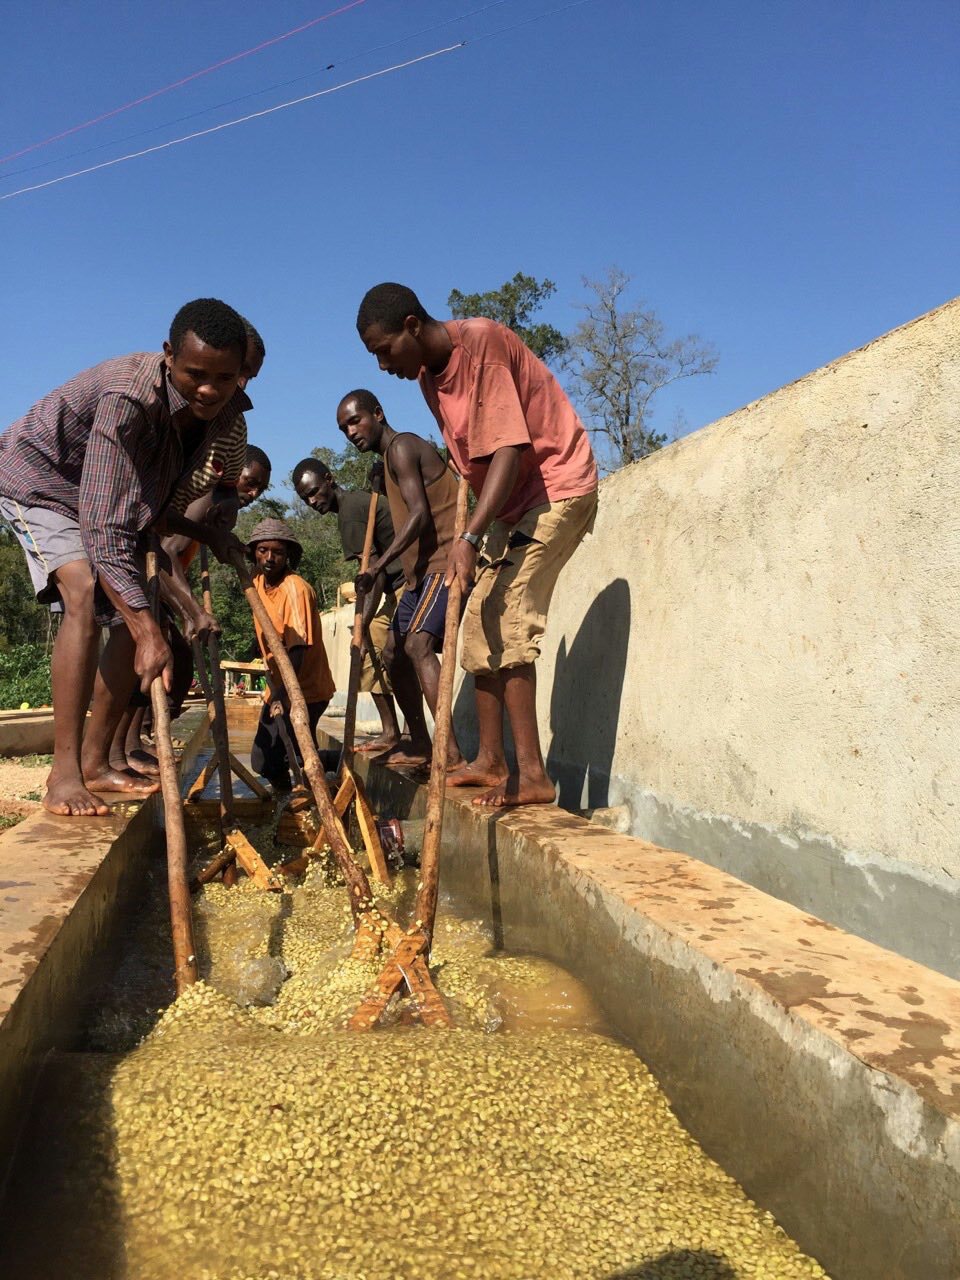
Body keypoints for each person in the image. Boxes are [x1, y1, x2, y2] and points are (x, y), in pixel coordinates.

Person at [0, 298, 251, 816]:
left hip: (104, 501)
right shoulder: (128, 398)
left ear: (240, 373)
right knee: (84, 590)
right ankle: (64, 775)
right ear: (168, 356)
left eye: (224, 378)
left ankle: (95, 764)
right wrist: (146, 629)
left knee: (132, 614)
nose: (209, 389)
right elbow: (101, 526)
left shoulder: (221, 416)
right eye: (195, 374)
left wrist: (208, 535)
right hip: (41, 481)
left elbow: (149, 515)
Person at [357, 282, 599, 807]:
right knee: (473, 628)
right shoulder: (428, 377)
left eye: (385, 350)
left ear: (412, 326)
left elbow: (508, 450)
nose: (383, 366)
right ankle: (490, 761)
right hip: (509, 506)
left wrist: (468, 537)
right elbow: (472, 458)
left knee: (508, 617)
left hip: (556, 488)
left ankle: (532, 775)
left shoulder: (482, 343)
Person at [336, 389, 463, 770]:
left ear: (378, 413)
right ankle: (420, 742)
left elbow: (420, 514)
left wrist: (378, 565)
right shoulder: (387, 462)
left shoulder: (402, 448)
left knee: (418, 645)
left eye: (355, 421)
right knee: (392, 653)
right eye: (344, 429)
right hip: (417, 579)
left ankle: (450, 753)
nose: (351, 432)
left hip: (443, 564)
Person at [292, 452, 406, 755]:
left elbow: (373, 575)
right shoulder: (354, 505)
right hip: (395, 587)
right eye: (305, 499)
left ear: (329, 479)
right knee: (372, 654)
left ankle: (414, 735)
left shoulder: (351, 511)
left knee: (382, 649)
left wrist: (361, 626)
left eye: (314, 492)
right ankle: (392, 733)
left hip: (409, 583)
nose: (312, 502)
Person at [246, 518, 335, 789]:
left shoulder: (295, 590)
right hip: (278, 686)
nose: (269, 558)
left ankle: (335, 765)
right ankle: (286, 797)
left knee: (298, 753)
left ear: (288, 556)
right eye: (263, 551)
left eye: (278, 552)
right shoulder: (257, 581)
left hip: (304, 689)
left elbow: (297, 649)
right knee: (263, 759)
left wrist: (284, 695)